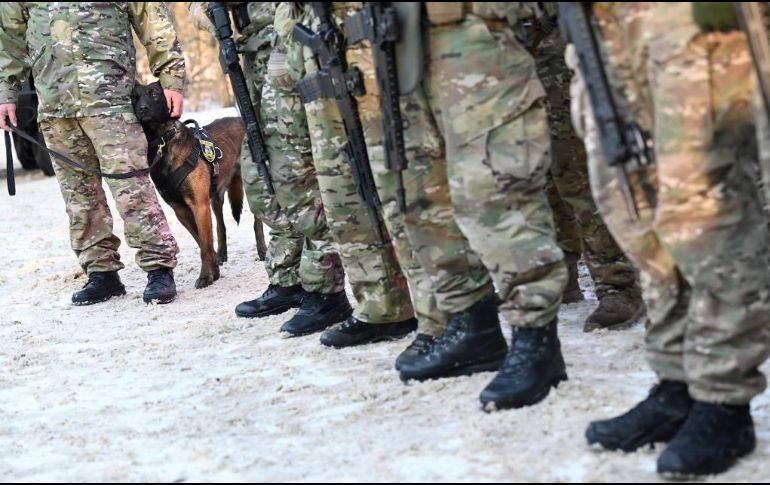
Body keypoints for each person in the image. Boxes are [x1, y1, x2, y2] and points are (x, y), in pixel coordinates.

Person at [567, 2, 770, 477]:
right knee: (635, 203)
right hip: (601, 20)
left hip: (682, 18)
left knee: (706, 205)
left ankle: (722, 399)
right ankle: (677, 383)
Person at [0, 2, 186, 305]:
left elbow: (152, 18)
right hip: (56, 107)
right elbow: (9, 36)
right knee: (79, 197)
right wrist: (6, 93)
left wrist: (172, 77)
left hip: (112, 102)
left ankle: (159, 268)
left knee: (132, 189)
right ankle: (102, 273)